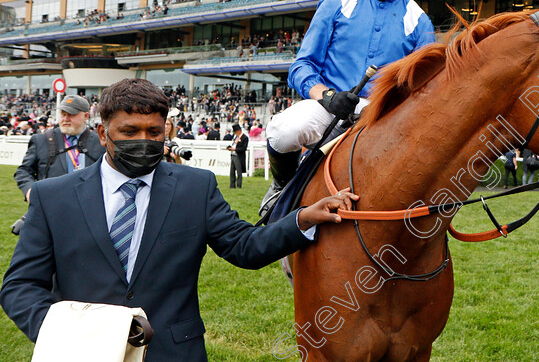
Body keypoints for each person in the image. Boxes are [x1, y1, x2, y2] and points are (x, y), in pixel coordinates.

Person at [0, 78, 357, 361]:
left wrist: (303, 219)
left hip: (174, 353)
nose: (143, 140)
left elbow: (244, 247)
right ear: (102, 134)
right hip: (80, 352)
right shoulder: (52, 196)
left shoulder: (196, 187)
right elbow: (19, 287)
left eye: (154, 132)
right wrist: (69, 332)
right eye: (129, 132)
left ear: (166, 130)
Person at [264, 0, 435, 196]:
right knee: (284, 130)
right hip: (328, 107)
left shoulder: (420, 22)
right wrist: (328, 96)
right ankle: (282, 188)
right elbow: (301, 67)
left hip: (382, 118)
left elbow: (423, 90)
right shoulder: (336, 2)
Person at [15, 95, 106, 203]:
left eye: (71, 114)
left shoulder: (101, 143)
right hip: (50, 207)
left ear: (86, 116)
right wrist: (29, 191)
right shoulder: (41, 140)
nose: (65, 119)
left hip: (88, 208)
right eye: (63, 114)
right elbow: (23, 171)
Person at [227, 124, 248, 189]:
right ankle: (232, 185)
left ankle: (239, 185)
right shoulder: (235, 137)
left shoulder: (244, 138)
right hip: (233, 155)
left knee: (239, 172)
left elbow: (244, 148)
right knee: (232, 171)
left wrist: (235, 149)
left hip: (239, 156)